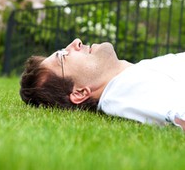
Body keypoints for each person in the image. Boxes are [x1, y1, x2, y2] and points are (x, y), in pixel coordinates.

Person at [20, 38, 185, 130]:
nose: (76, 42)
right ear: (79, 93)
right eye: (63, 55)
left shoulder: (137, 70)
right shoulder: (123, 92)